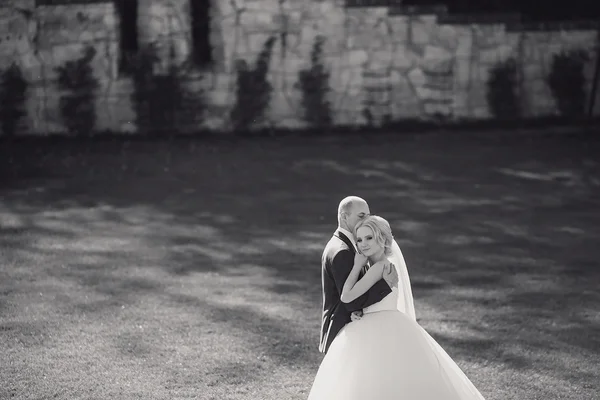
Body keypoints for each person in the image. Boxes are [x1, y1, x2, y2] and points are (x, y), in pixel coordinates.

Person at [308, 215, 486, 400]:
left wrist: (356, 266)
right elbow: (371, 299)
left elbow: (346, 296)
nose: (363, 244)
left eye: (369, 238)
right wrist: (360, 311)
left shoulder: (380, 267)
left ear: (382, 239)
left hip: (379, 328)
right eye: (359, 239)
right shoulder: (376, 267)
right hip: (382, 322)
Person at [318, 196, 392, 354]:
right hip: (343, 327)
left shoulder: (346, 243)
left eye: (368, 215)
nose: (367, 219)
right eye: (361, 215)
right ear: (344, 216)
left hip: (352, 323)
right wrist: (386, 286)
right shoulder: (342, 251)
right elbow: (351, 301)